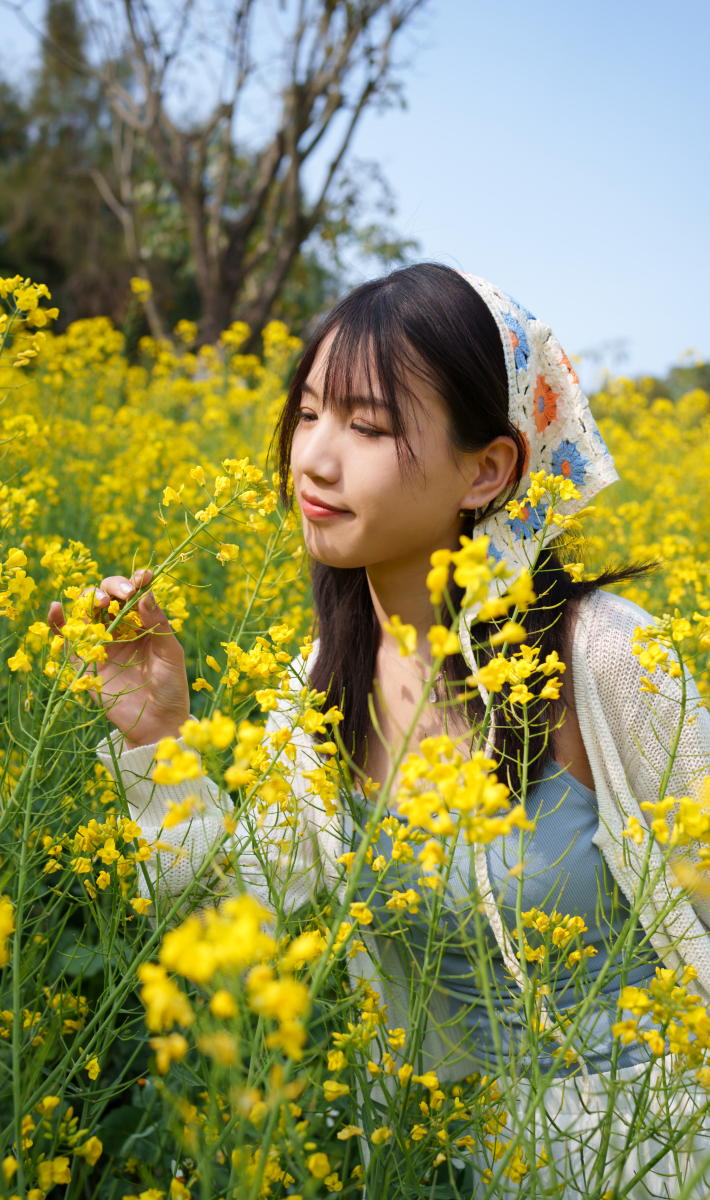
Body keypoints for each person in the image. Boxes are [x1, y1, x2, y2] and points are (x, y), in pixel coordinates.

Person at [48, 264, 710, 1196]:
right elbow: (231, 926)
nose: (315, 457)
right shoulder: (316, 689)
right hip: (435, 1160)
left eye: (367, 426)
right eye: (310, 412)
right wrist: (161, 735)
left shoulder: (604, 658)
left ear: (488, 468)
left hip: (656, 1154)